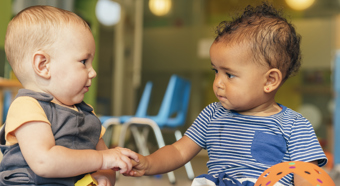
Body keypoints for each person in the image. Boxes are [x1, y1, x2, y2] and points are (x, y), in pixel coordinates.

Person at [128, 2, 327, 186]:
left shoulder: (294, 125)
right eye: (216, 71)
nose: (218, 83)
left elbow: (306, 173)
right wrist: (149, 163)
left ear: (269, 81)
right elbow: (179, 151)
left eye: (229, 75)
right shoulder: (212, 114)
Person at [0, 5, 138, 186]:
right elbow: (44, 162)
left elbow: (106, 167)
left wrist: (105, 177)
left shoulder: (88, 114)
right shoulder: (27, 106)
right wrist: (102, 159)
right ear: (43, 65)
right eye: (83, 62)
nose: (93, 72)